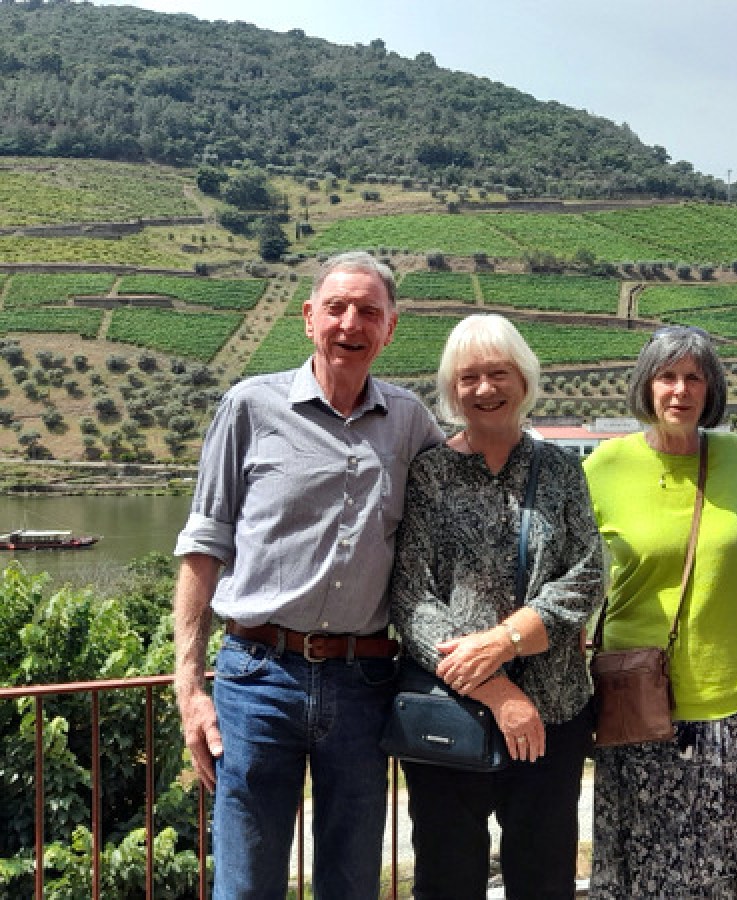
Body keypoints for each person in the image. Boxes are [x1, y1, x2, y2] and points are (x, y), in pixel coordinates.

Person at [172, 251, 443, 899]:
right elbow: (204, 544)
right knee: (246, 884)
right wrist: (189, 687)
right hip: (257, 679)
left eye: (369, 312)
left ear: (390, 329)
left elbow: (457, 518)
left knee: (351, 884)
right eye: (337, 308)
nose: (351, 323)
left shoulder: (410, 422)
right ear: (307, 318)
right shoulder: (249, 406)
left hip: (363, 682)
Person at [583, 325, 737, 899]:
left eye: (695, 377)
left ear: (711, 389)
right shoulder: (605, 467)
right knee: (650, 868)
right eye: (667, 376)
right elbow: (559, 558)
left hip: (736, 698)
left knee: (735, 867)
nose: (680, 390)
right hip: (637, 703)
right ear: (646, 386)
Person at [390, 313, 604, 900]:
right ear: (451, 390)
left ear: (525, 379)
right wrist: (497, 688)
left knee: (543, 878)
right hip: (447, 715)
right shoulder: (430, 473)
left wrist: (505, 641)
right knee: (447, 878)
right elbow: (411, 595)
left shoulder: (561, 470)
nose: (485, 388)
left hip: (554, 715)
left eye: (499, 373)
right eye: (469, 377)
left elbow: (587, 577)